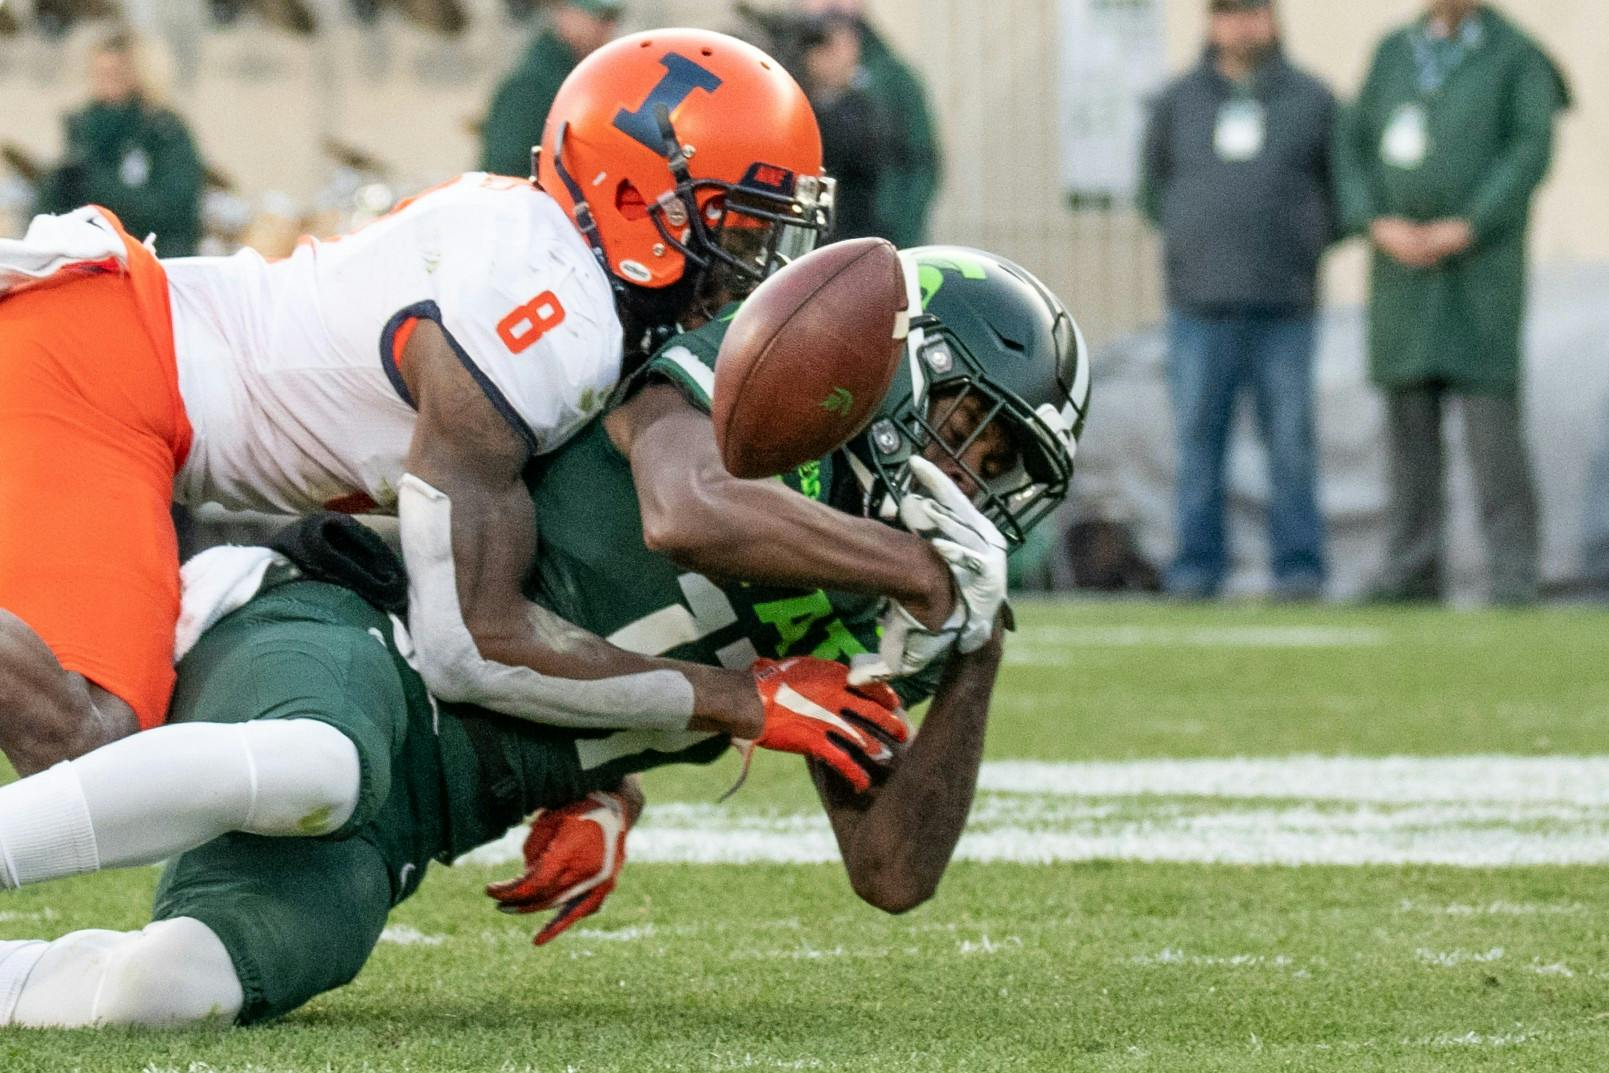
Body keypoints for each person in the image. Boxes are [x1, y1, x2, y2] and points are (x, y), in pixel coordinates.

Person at [0, 248, 1090, 1027]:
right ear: (895, 366)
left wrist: (979, 644)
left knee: (168, 987)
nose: (967, 483)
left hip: (418, 813)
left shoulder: (881, 614)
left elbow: (890, 870)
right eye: (968, 434)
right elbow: (682, 507)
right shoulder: (755, 383)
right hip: (352, 634)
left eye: (1000, 474)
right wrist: (902, 570)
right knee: (317, 762)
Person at [0, 30, 937, 786]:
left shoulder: (551, 265)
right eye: (733, 228)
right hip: (100, 372)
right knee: (84, 740)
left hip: (112, 349)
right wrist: (739, 698)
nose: (752, 268)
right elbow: (473, 642)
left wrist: (597, 785)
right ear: (627, 197)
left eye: (769, 235)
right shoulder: (546, 321)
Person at [1334, 0, 1569, 606]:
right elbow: (1351, 145)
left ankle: (1514, 577)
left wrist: (1469, 224)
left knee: (1493, 437)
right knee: (1408, 434)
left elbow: (1529, 152)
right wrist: (1374, 221)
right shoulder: (1393, 51)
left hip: (1477, 275)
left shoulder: (1516, 56)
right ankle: (1411, 570)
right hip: (1403, 278)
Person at [1139, 0, 1336, 601]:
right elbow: (1153, 188)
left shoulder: (1312, 99)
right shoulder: (1178, 101)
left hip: (1285, 302)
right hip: (1199, 303)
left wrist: (1302, 244)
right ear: (1211, 22)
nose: (1240, 26)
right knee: (1198, 443)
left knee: (1292, 445)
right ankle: (1197, 568)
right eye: (1228, 13)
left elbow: (1340, 189)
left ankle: (1299, 569)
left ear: (1271, 20)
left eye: (1252, 13)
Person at [36, 28, 205, 258]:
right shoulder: (84, 128)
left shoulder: (164, 131)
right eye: (100, 73)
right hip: (89, 259)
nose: (107, 82)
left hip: (152, 256)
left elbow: (173, 207)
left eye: (116, 73)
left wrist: (98, 185)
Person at [795, 0, 940, 246]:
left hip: (869, 235)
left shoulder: (892, 77)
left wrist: (894, 238)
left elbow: (918, 165)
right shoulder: (774, 61)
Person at [479, 0, 623, 179]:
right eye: (600, 17)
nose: (609, 26)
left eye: (613, 17)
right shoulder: (531, 85)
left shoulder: (582, 76)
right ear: (562, 12)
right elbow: (504, 172)